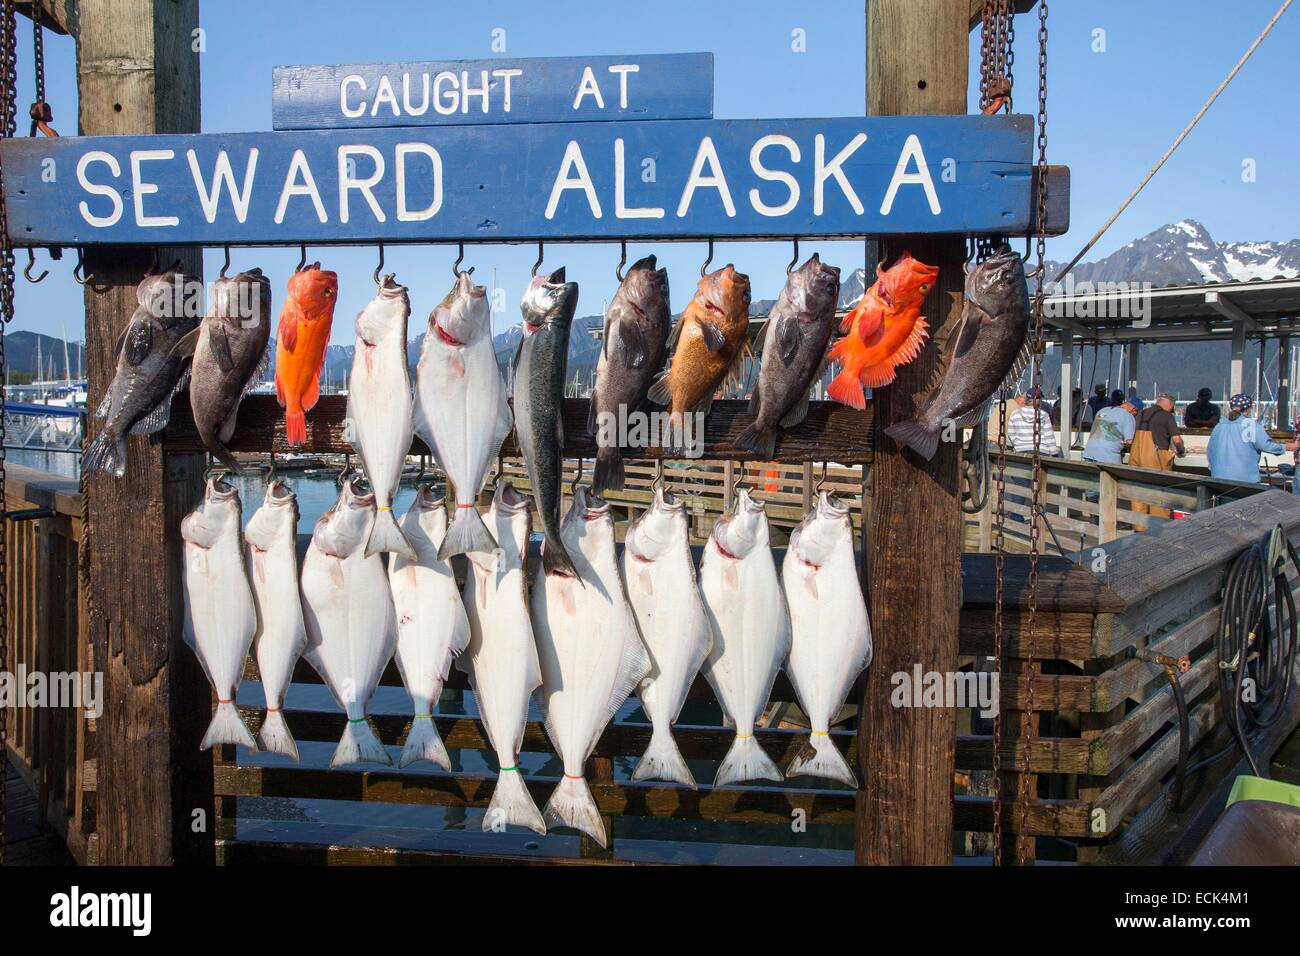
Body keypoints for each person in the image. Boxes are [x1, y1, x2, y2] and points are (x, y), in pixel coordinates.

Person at [1206, 393, 1298, 483]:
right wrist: (1287, 447)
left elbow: (1210, 450)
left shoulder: (1219, 426)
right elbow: (1265, 445)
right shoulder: (1250, 425)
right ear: (1248, 409)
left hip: (1218, 477)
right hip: (1244, 478)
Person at [1128, 392, 1186, 531]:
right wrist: (1181, 450)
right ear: (1169, 404)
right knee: (1159, 492)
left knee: (1138, 491)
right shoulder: (1167, 416)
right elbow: (1176, 439)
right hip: (1155, 455)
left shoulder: (1140, 414)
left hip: (1135, 455)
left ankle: (1139, 527)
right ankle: (1158, 527)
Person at [1007, 386, 1060, 456]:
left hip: (1020, 449)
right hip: (1041, 450)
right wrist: (1054, 453)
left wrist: (1017, 444)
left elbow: (1011, 434)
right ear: (1038, 400)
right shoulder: (1043, 415)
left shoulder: (1015, 414)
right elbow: (1049, 437)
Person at [1083, 399, 1137, 464]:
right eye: (1136, 413)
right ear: (1133, 409)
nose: (1135, 415)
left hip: (1089, 452)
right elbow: (1129, 442)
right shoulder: (1128, 415)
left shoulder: (1102, 410)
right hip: (1108, 455)